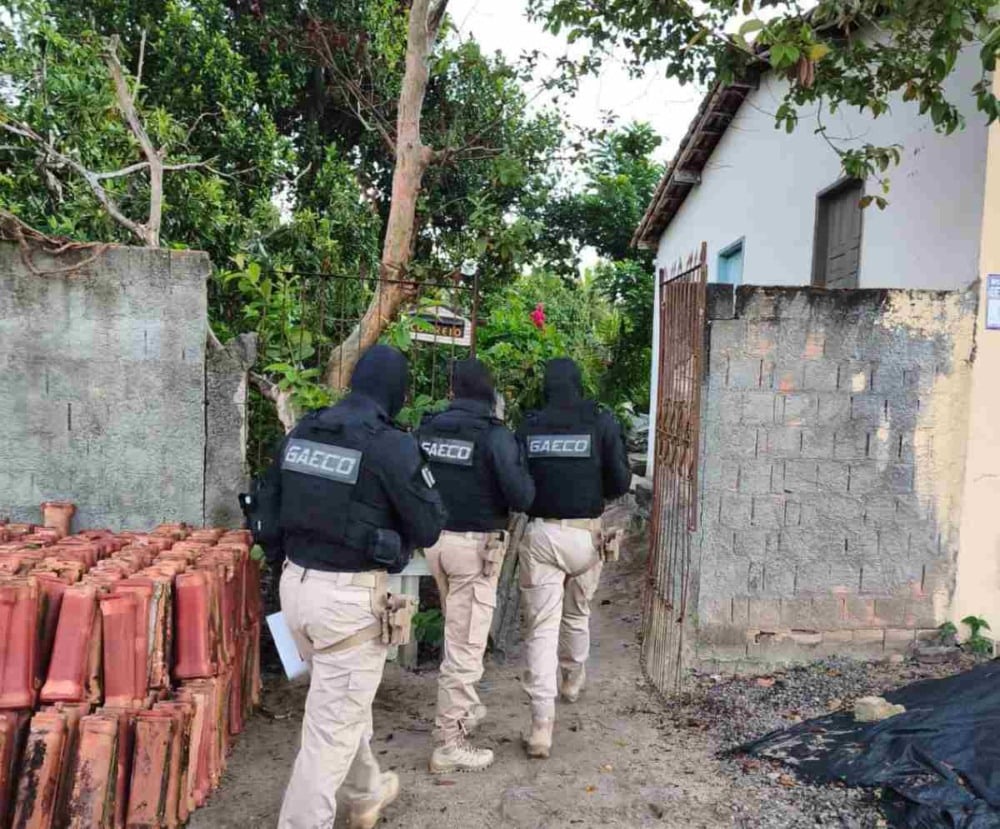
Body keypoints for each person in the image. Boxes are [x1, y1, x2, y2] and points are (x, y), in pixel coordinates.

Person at [264, 345, 447, 829]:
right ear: (398, 393)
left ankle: (366, 792)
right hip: (346, 603)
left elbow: (270, 507)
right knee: (328, 732)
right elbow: (430, 527)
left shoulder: (306, 430)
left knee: (340, 704)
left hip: (294, 592)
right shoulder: (391, 445)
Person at [417, 359, 535, 774]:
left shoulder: (428, 428)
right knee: (465, 645)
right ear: (490, 392)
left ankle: (464, 709)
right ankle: (449, 743)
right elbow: (521, 497)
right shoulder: (494, 435)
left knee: (459, 631)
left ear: (453, 389)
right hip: (474, 549)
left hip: (435, 543)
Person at [516, 358, 632, 759]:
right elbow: (620, 481)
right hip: (587, 535)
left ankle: (541, 727)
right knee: (578, 612)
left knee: (542, 628)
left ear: (546, 387)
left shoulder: (530, 425)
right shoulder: (600, 421)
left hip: (542, 535)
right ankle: (572, 678)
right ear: (579, 385)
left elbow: (517, 484)